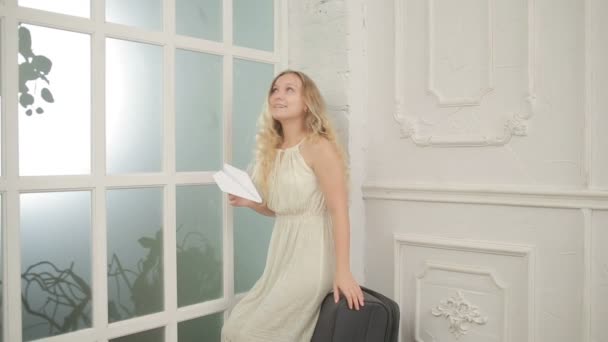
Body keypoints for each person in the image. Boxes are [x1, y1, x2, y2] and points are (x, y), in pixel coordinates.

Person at [221, 70, 364, 341]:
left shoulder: (319, 147)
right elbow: (285, 211)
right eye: (275, 89)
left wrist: (343, 271)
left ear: (307, 102)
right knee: (234, 328)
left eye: (289, 90)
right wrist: (252, 203)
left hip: (313, 257)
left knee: (253, 334)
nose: (278, 95)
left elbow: (338, 210)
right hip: (282, 255)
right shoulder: (272, 152)